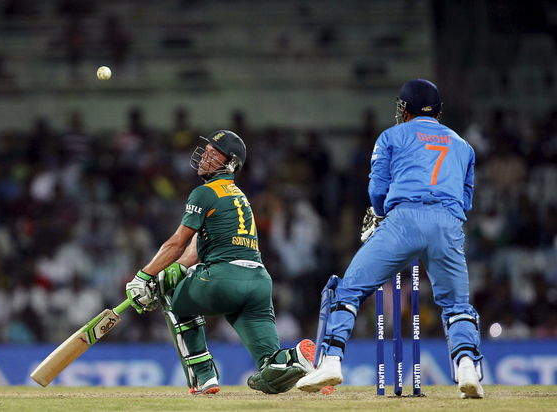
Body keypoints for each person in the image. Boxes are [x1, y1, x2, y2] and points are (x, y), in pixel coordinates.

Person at [296, 79, 485, 399]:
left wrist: (382, 215)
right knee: (456, 305)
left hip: (403, 220)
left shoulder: (392, 136)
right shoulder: (464, 146)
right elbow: (466, 202)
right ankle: (467, 368)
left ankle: (330, 361)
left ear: (406, 108)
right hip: (447, 224)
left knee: (349, 289)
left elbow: (377, 189)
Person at [124, 130, 315, 395]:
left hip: (224, 279)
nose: (204, 157)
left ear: (230, 163)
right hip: (258, 284)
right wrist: (176, 268)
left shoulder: (205, 193)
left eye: (213, 154)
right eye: (206, 151)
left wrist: (144, 277)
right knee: (269, 368)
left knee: (169, 294)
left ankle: (204, 377)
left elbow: (178, 241)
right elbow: (196, 249)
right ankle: (296, 358)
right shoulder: (238, 195)